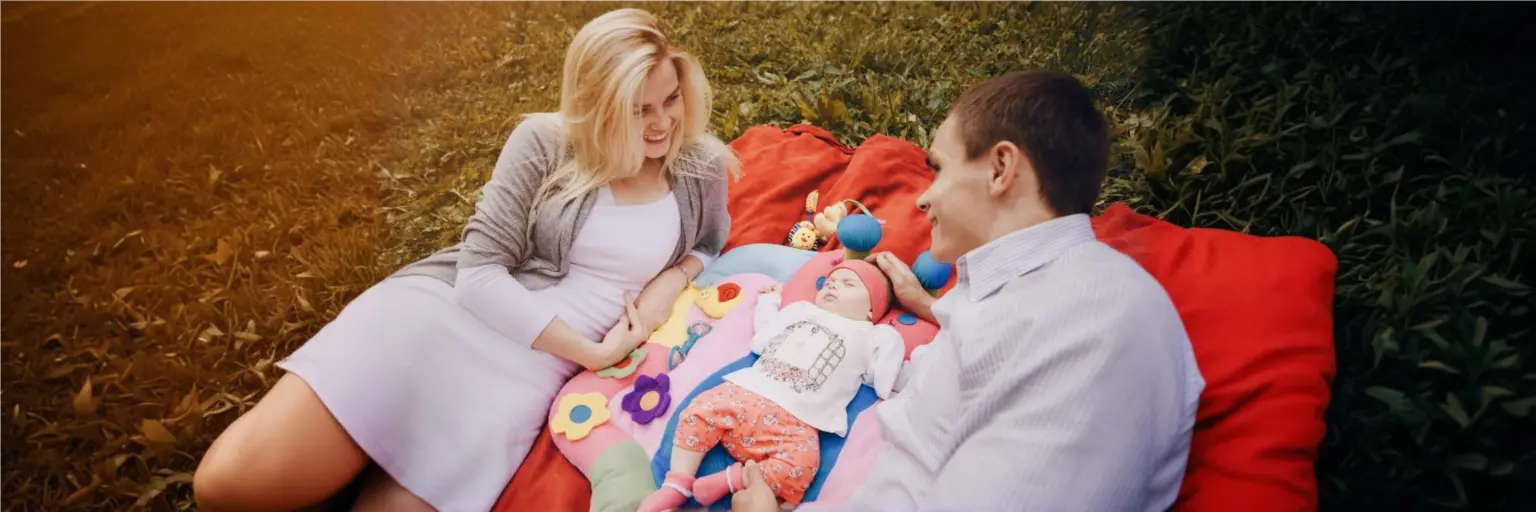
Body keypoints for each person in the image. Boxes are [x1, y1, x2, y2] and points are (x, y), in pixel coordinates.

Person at [193, 8, 738, 512]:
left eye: (670, 99)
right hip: (445, 323)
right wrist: (592, 352)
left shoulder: (696, 165)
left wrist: (675, 275)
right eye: (638, 109)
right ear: (596, 105)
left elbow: (709, 242)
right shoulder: (545, 142)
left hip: (524, 376)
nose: (662, 124)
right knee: (227, 488)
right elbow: (478, 275)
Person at [734, 70, 1203, 511]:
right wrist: (929, 305)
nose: (924, 197)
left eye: (938, 169)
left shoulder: (1101, 327)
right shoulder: (1019, 288)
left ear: (1000, 168)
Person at [641, 261, 907, 511]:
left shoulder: (874, 336)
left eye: (849, 284)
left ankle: (731, 480)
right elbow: (763, 337)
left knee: (801, 466)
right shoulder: (800, 310)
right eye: (829, 282)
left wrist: (901, 349)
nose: (833, 285)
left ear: (872, 310)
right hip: (747, 393)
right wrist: (769, 302)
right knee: (699, 410)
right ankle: (678, 482)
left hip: (798, 423)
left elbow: (886, 379)